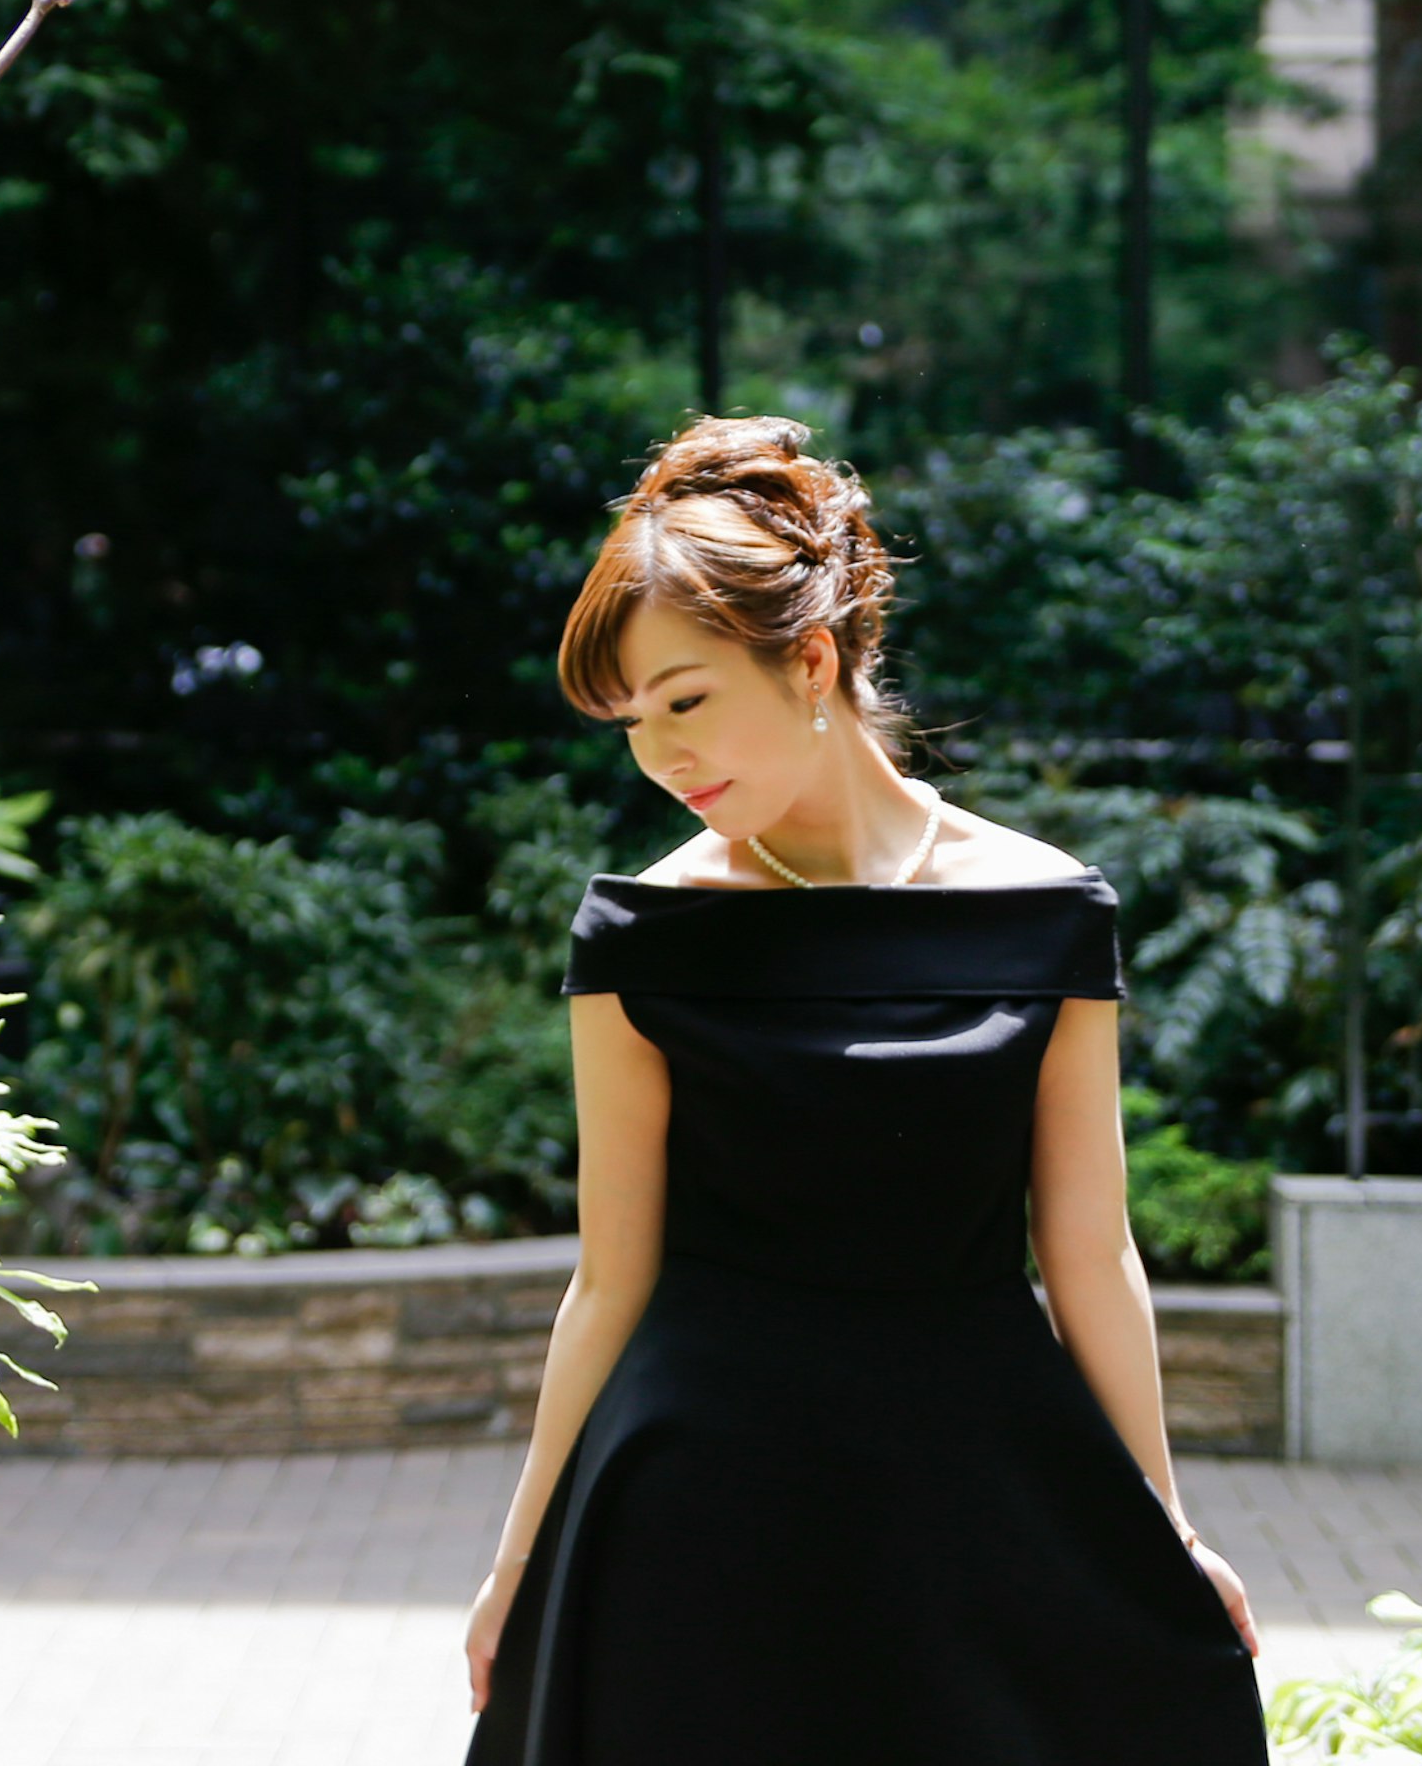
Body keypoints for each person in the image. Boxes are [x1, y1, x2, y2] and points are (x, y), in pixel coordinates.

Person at [462, 415, 1269, 1766]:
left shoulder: (1046, 915)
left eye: (686, 698)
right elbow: (610, 1278)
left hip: (973, 1492)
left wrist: (1160, 1520)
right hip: (694, 1510)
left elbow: (1090, 1249)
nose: (659, 756)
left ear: (812, 659)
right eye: (630, 722)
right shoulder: (641, 936)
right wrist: (520, 1561)